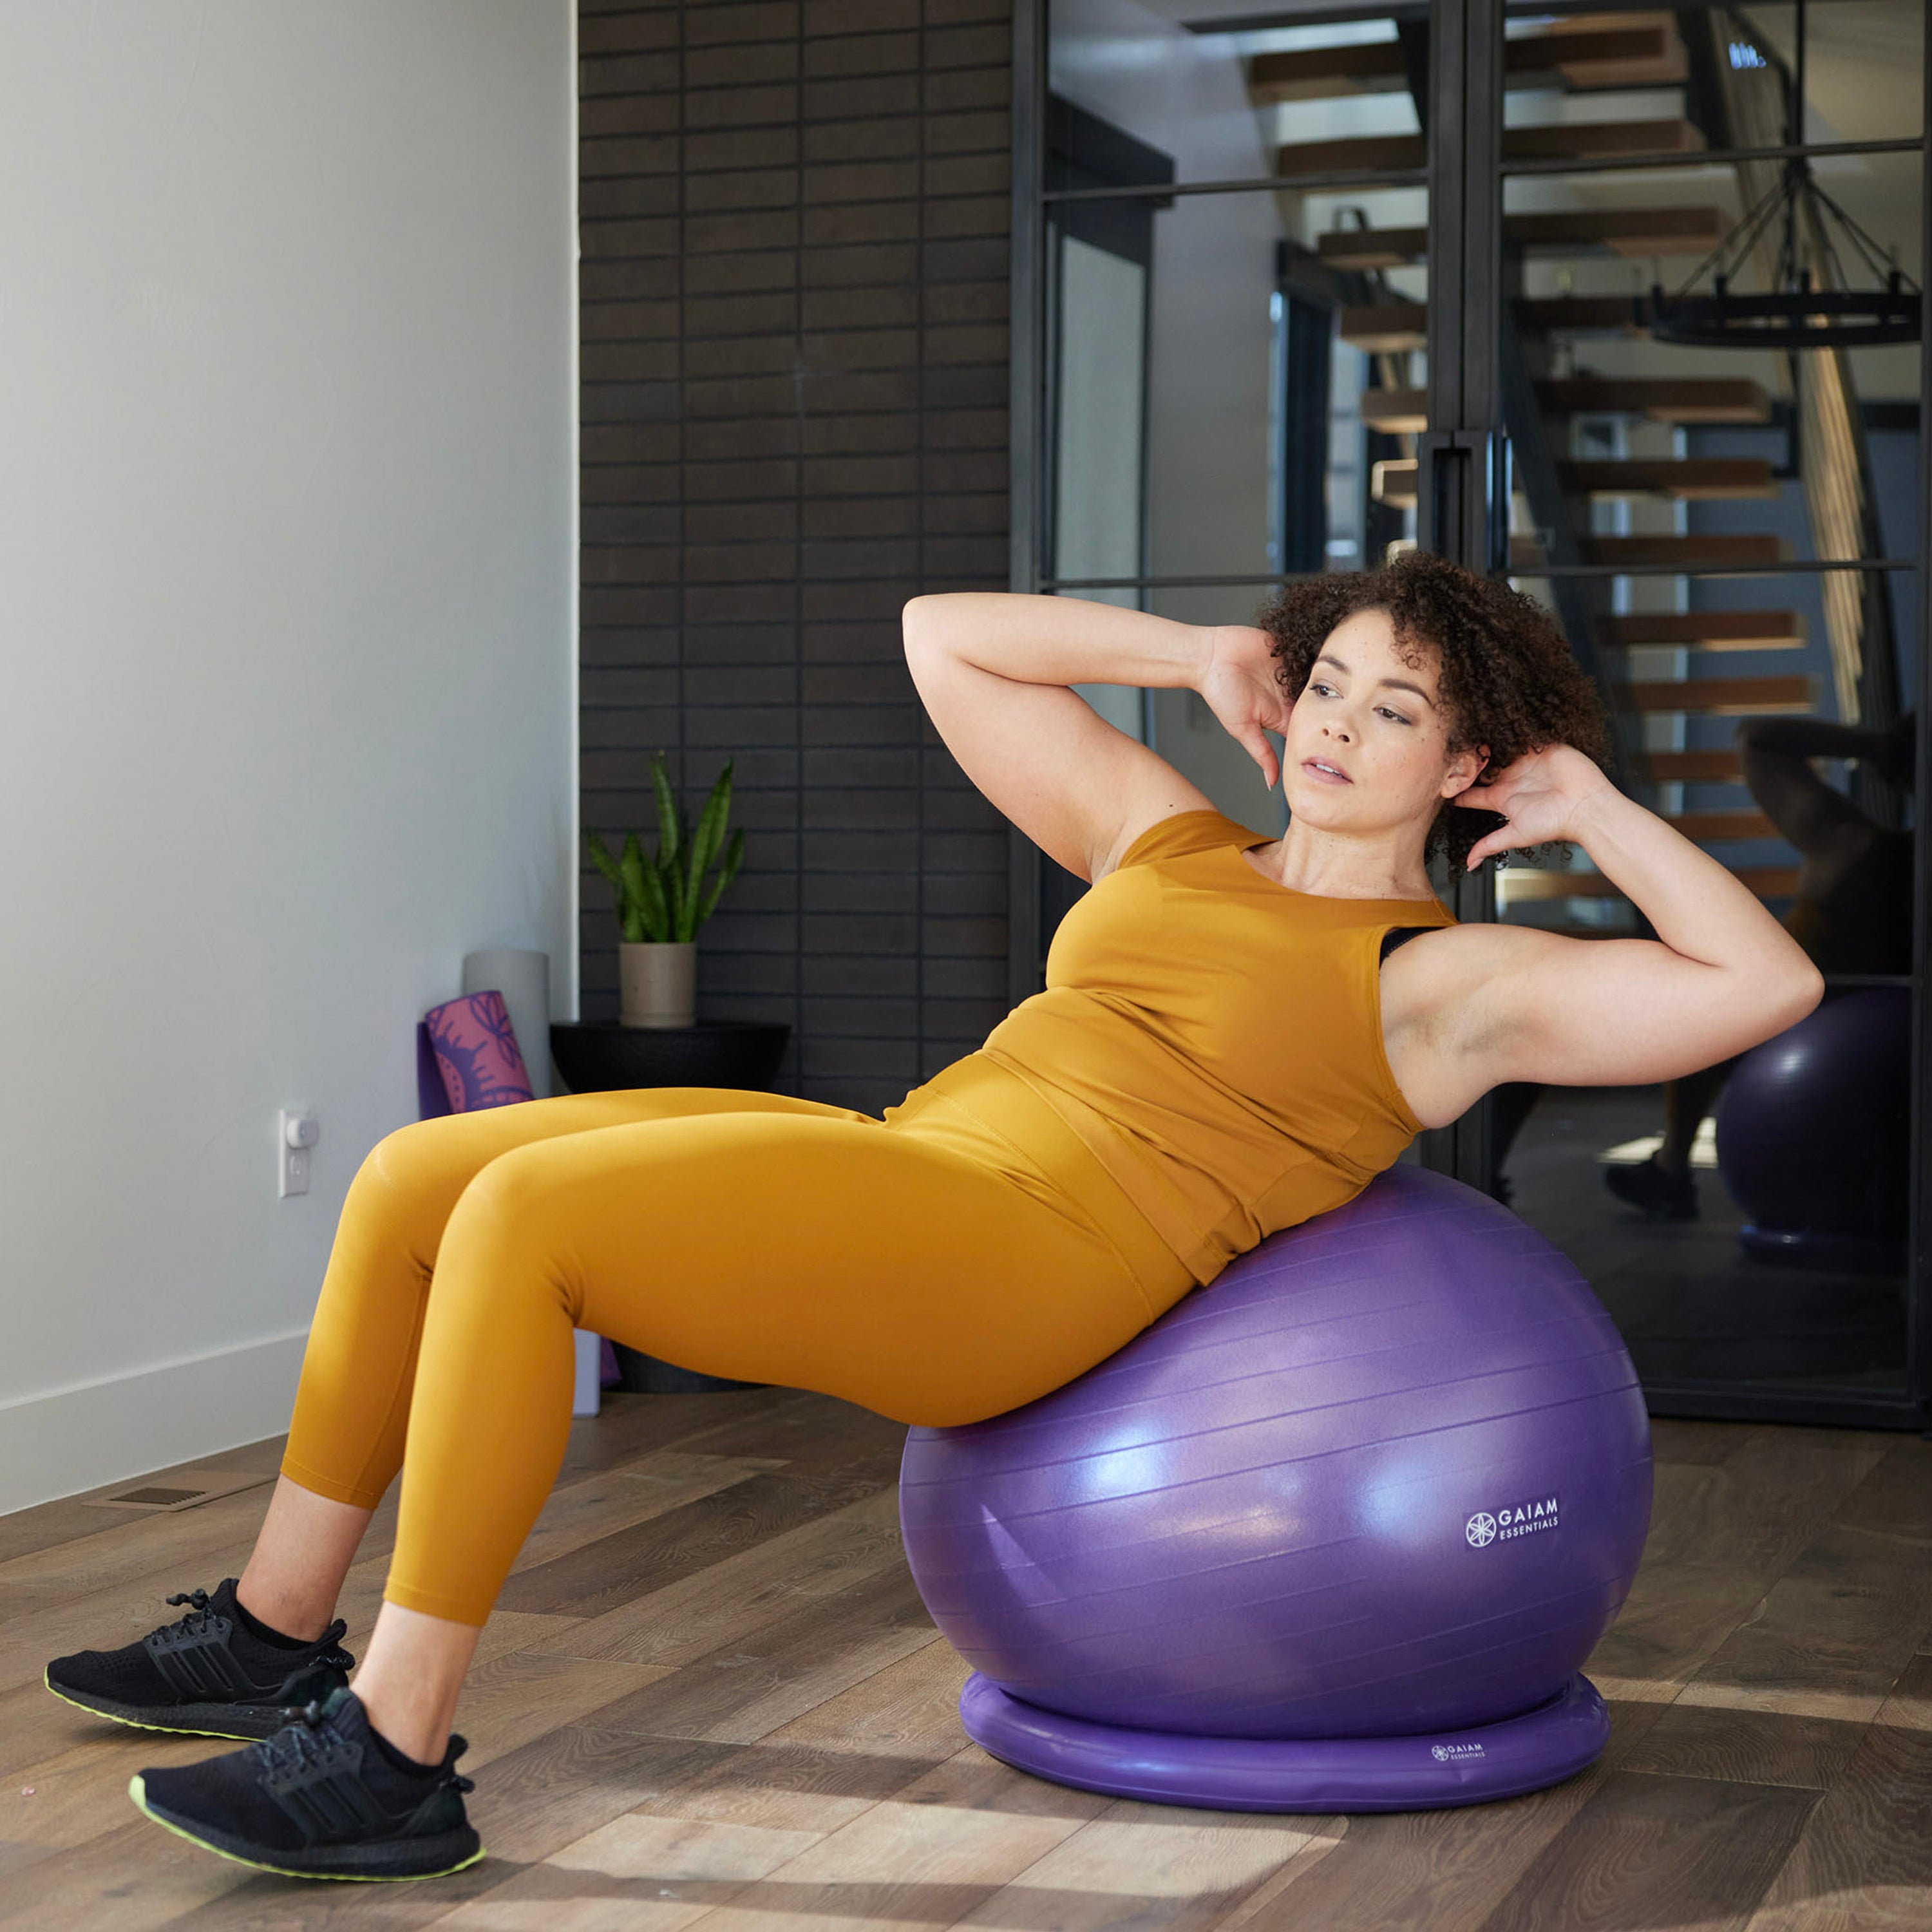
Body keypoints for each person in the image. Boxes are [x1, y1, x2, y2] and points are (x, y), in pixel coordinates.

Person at [43, 550, 1821, 1882]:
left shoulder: (1442, 982)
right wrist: (1196, 652)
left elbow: (1766, 983)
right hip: (924, 1156)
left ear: (1470, 762)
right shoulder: (1175, 843)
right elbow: (942, 639)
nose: (1342, 727)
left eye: (1397, 710)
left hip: (1032, 1261)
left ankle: (392, 1759)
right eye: (1332, 684)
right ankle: (273, 1639)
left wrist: (1593, 806)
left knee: (525, 1220)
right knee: (421, 1172)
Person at [1604, 708, 1915, 1220]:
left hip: (1804, 1029)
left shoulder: (1854, 846)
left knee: (1701, 1002)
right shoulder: (1860, 847)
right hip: (1829, 1039)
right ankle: (1670, 1169)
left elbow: (1758, 739)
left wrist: (1875, 745)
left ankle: (1670, 1167)